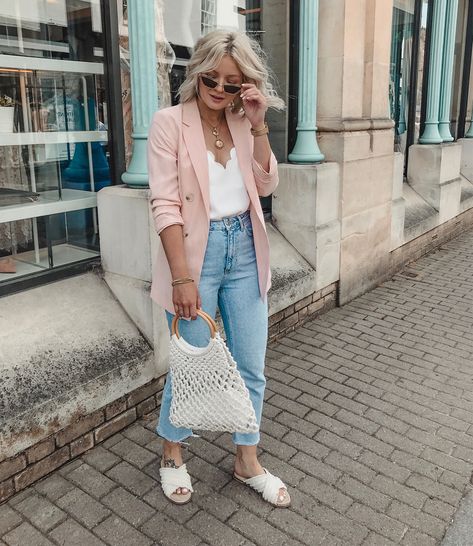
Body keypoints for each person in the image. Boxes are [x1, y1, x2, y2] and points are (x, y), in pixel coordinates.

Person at [147, 29, 290, 508]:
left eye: (232, 83)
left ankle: (246, 459)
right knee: (191, 367)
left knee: (251, 364)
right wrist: (183, 277)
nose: (220, 89)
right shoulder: (170, 122)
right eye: (212, 77)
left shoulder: (242, 121)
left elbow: (267, 186)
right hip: (197, 257)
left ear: (244, 86)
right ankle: (171, 454)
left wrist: (259, 124)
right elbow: (165, 205)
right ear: (198, 72)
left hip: (245, 250)